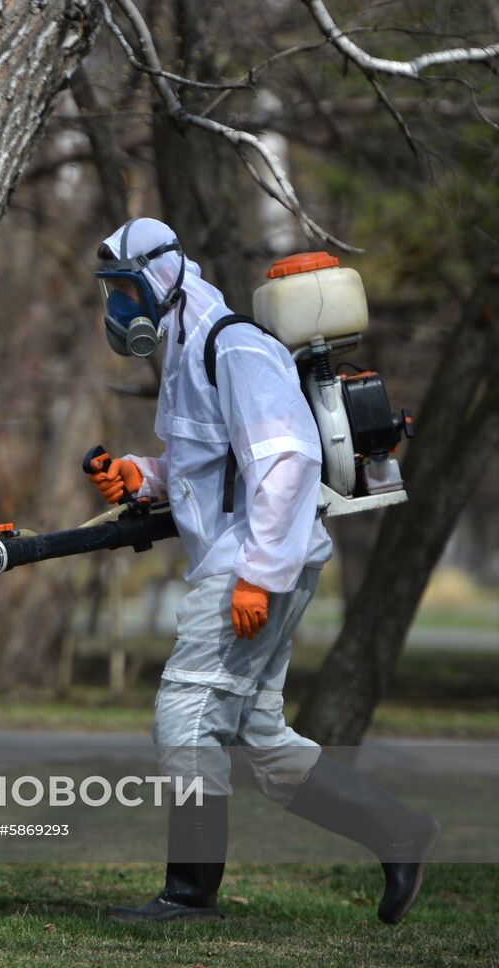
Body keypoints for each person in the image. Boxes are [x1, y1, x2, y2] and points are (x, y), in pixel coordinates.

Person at [86, 218, 438, 924]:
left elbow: (287, 464)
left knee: (185, 712)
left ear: (161, 278)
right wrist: (139, 475)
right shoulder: (188, 353)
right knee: (255, 734)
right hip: (250, 555)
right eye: (113, 295)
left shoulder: (234, 346)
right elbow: (207, 466)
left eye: (126, 292)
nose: (120, 310)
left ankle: (189, 894)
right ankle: (400, 834)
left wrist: (260, 576)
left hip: (251, 561)